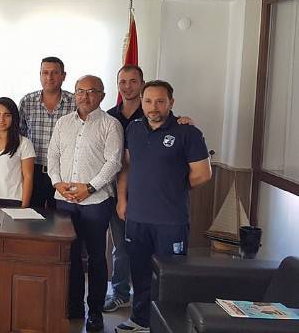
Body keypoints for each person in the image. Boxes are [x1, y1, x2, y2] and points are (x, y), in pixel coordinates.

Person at [115, 80, 212, 333]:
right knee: (140, 272)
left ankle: (166, 325)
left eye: (160, 101)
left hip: (170, 220)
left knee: (170, 276)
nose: (153, 107)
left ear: (171, 102)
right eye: (148, 101)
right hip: (137, 217)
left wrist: (174, 186)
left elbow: (203, 173)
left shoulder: (188, 132)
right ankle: (140, 320)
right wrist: (122, 200)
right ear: (142, 102)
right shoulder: (134, 129)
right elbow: (126, 167)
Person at [47, 75, 123, 332]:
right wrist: (57, 183)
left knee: (96, 258)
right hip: (64, 200)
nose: (85, 96)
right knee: (70, 256)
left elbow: (113, 162)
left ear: (102, 95)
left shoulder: (110, 124)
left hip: (96, 201)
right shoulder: (63, 123)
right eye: (80, 91)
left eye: (92, 91)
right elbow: (53, 156)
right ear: (74, 93)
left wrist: (89, 187)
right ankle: (74, 306)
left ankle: (96, 311)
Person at [103, 64, 144, 313]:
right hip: (114, 191)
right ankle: (120, 294)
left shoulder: (152, 113)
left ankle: (148, 296)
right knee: (120, 247)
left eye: (133, 81)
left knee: (146, 247)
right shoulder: (109, 116)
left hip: (147, 192)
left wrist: (185, 121)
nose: (127, 87)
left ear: (142, 84)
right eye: (122, 82)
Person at [19, 56, 76, 209]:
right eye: (45, 73)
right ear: (40, 75)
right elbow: (19, 137)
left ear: (63, 76)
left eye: (55, 73)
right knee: (31, 217)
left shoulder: (75, 102)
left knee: (60, 218)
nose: (49, 77)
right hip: (33, 172)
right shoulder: (27, 102)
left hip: (63, 173)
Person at [0, 97, 35, 207]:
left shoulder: (24, 143)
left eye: (7, 115)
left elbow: (28, 177)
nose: (1, 119)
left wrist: (24, 207)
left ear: (13, 117)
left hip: (13, 200)